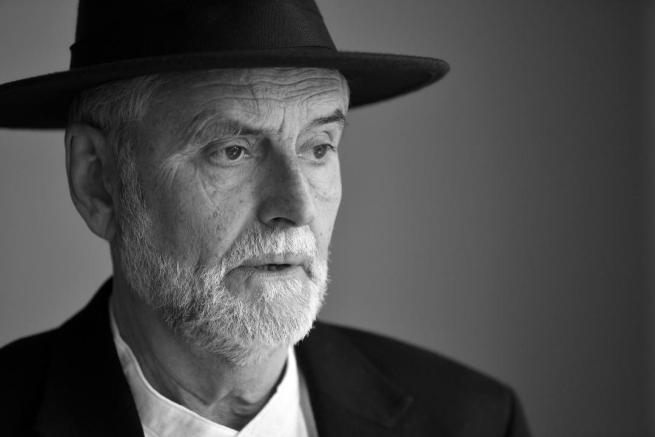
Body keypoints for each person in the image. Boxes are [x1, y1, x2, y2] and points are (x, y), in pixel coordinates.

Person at [0, 0, 530, 436]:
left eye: (318, 147)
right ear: (99, 182)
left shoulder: (473, 420)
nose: (297, 208)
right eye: (232, 151)